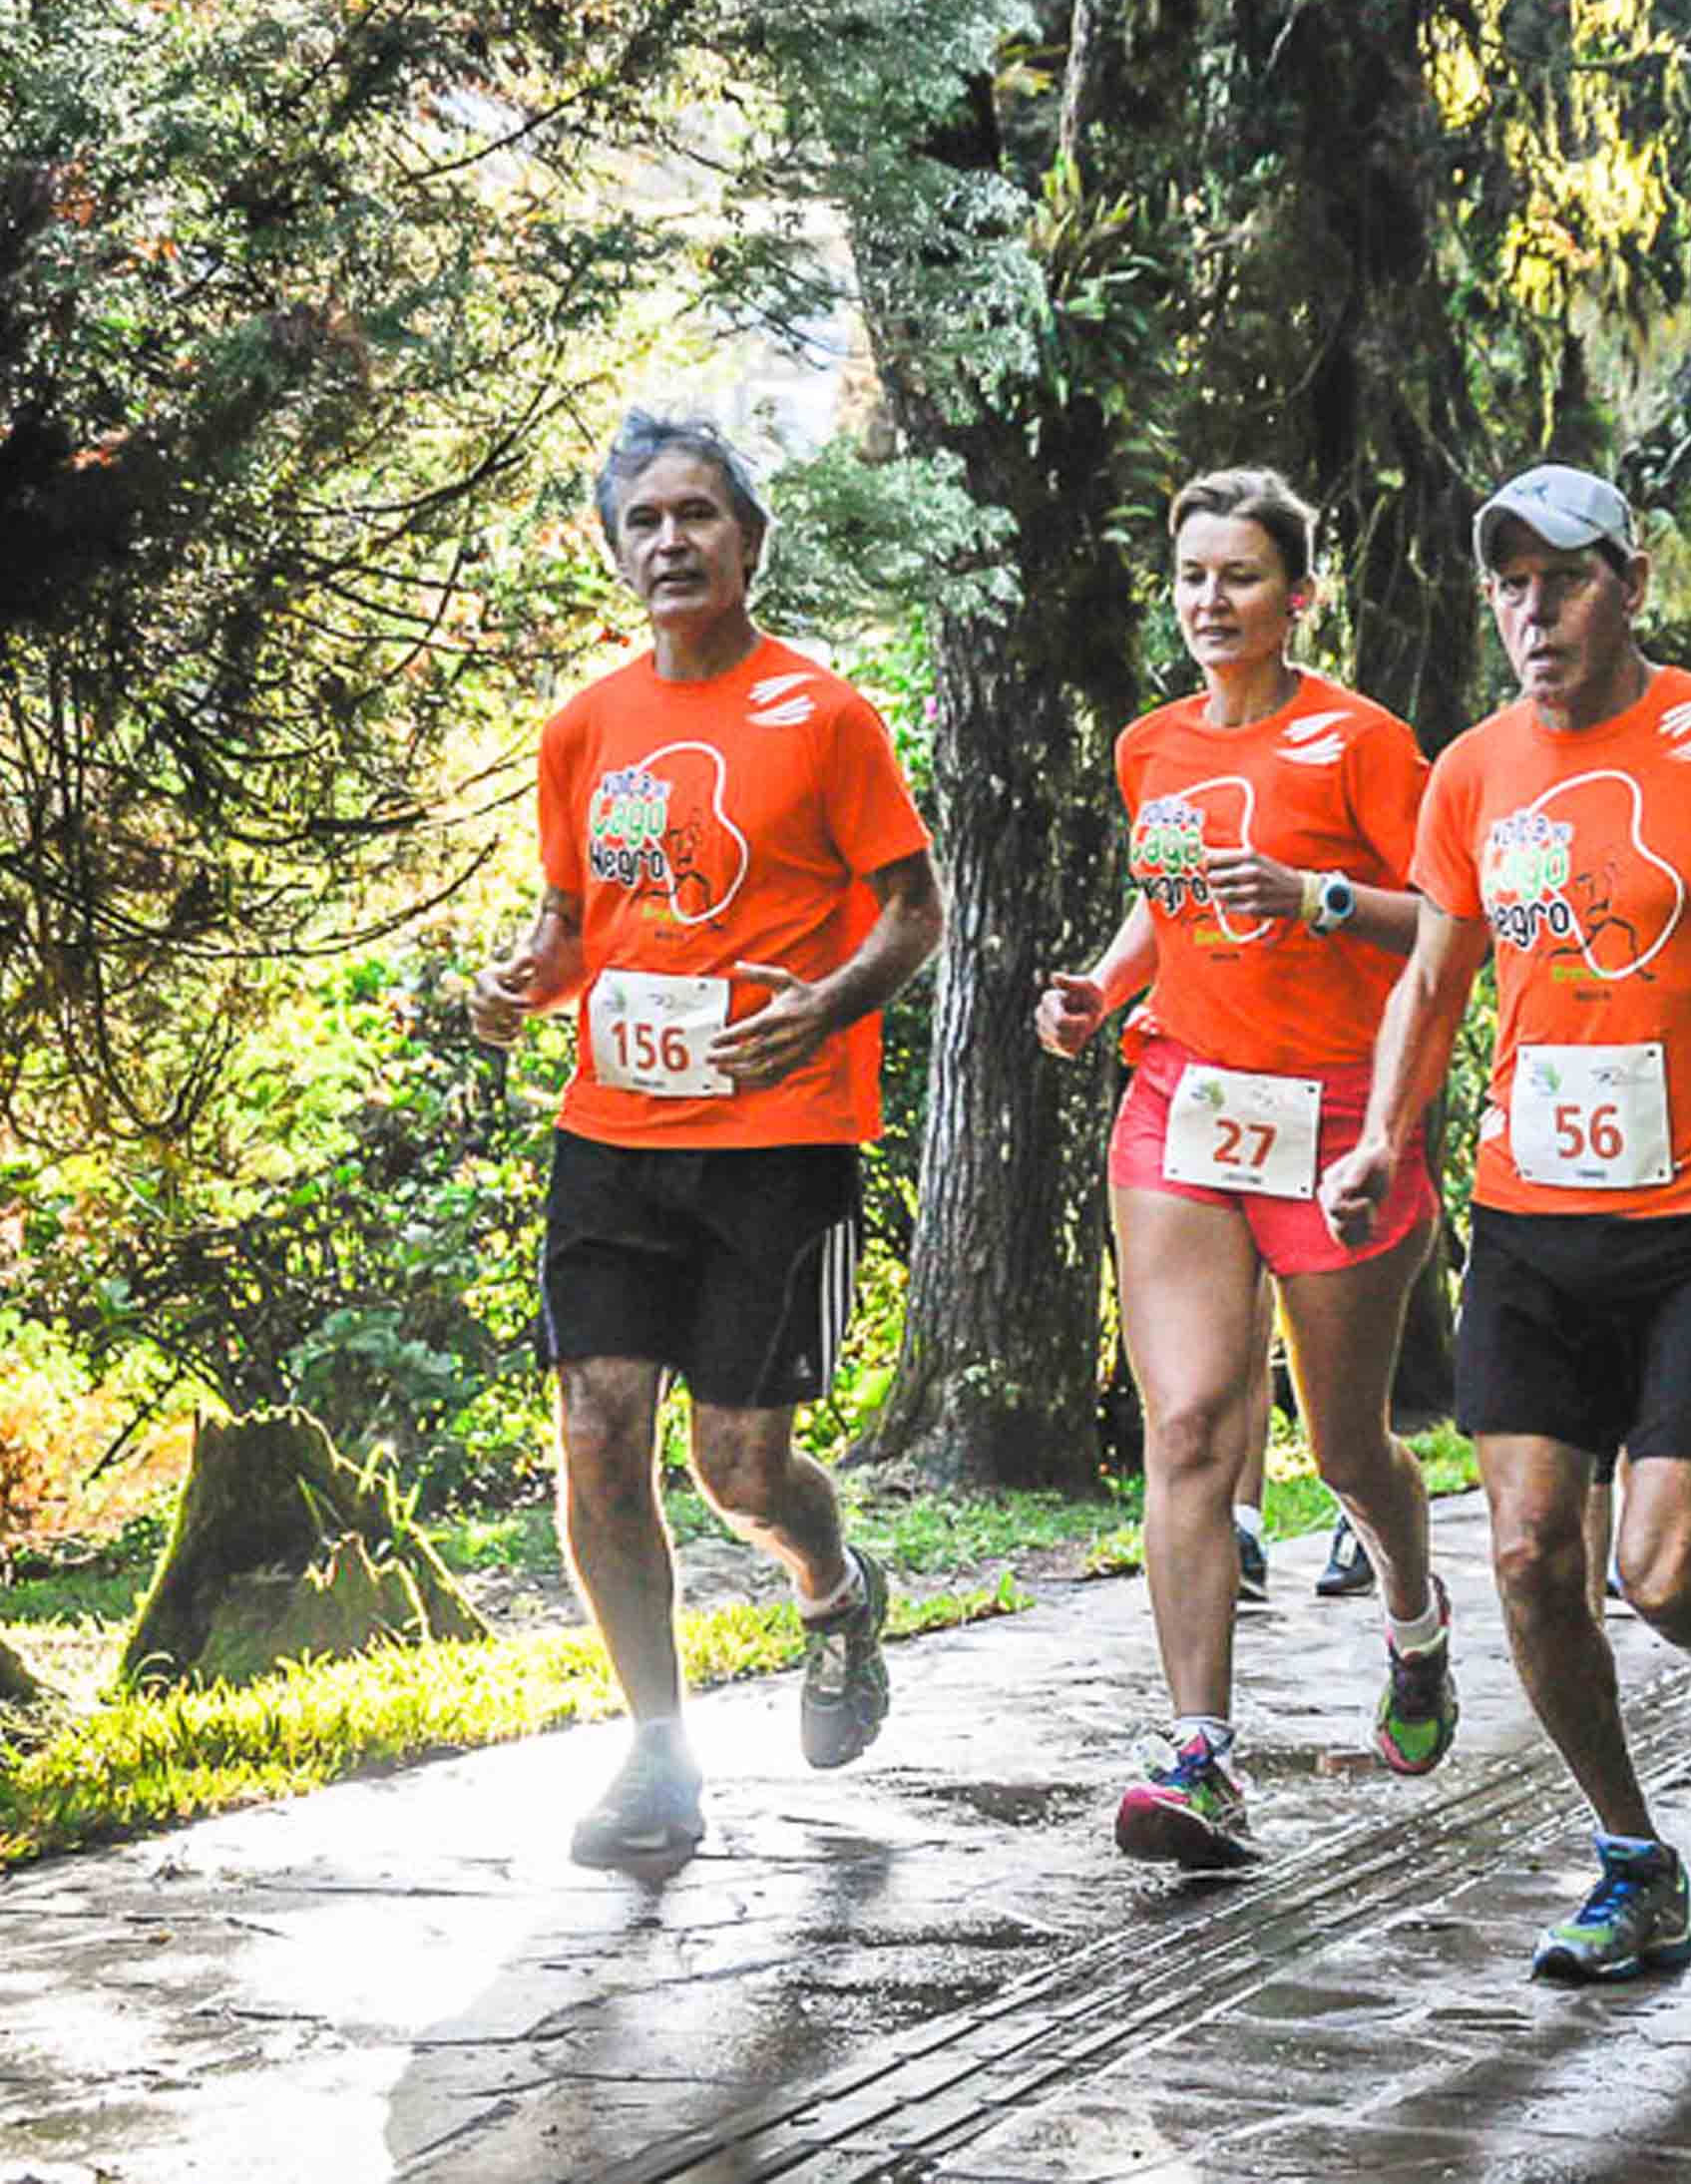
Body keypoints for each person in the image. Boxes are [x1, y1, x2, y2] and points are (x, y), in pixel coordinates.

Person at [1319, 463, 1691, 1981]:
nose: (1533, 609)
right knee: (1523, 1558)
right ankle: (1633, 1860)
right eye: (1508, 582)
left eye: (1562, 577)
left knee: (1659, 1570)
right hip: (1528, 1216)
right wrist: (1387, 1134)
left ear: (1630, 580)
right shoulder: (1471, 771)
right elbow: (1434, 981)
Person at [470, 411, 946, 1871]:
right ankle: (658, 1754)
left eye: (698, 515)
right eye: (645, 522)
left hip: (781, 1138)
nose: (671, 542)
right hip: (613, 1131)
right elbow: (574, 925)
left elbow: (913, 911)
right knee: (599, 1436)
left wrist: (825, 1007)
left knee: (738, 1466)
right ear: (619, 553)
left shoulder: (826, 715)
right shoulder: (585, 727)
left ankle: (834, 1578)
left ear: (747, 538)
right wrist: (518, 981)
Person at [1037, 468, 1456, 1869]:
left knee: (1345, 1444)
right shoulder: (1153, 745)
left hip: (1340, 1117)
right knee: (1192, 1424)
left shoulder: (1362, 743)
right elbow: (1161, 911)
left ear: (1300, 595)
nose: (1210, 602)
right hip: (1184, 1103)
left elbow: (1446, 929)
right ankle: (1200, 1749)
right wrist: (1097, 988)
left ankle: (1413, 1610)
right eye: (1192, 576)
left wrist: (1320, 896)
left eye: (1241, 578)